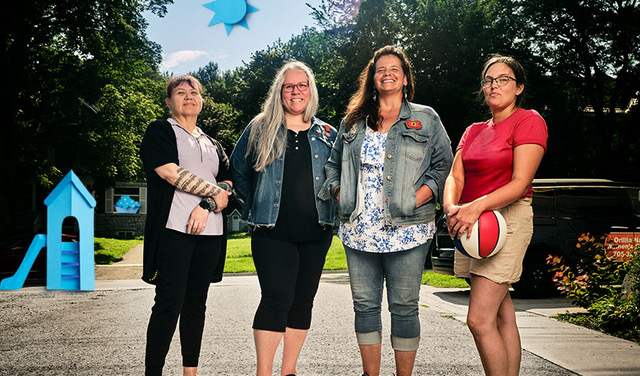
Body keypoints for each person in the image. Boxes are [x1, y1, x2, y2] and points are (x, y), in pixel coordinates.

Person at [322, 46, 453, 376]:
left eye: (394, 68)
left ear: (405, 77)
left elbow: (444, 166)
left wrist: (420, 196)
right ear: (373, 78)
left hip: (408, 228)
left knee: (404, 307)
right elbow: (332, 165)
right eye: (381, 69)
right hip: (359, 230)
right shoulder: (353, 122)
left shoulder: (426, 118)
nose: (387, 73)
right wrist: (340, 193)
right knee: (365, 306)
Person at [230, 61, 337, 376]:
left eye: (302, 85)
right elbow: (239, 171)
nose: (296, 91)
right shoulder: (260, 127)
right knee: (277, 297)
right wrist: (253, 208)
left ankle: (288, 371)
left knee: (303, 301)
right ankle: (264, 372)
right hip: (272, 231)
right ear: (279, 92)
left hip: (317, 231)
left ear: (310, 90)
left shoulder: (328, 133)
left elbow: (339, 176)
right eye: (289, 86)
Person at [443, 54, 548, 376]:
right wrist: (451, 209)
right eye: (488, 80)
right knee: (502, 315)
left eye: (503, 79)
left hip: (507, 220)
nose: (493, 85)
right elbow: (455, 176)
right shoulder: (472, 130)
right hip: (474, 226)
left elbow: (520, 183)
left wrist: (474, 207)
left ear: (519, 88)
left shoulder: (529, 121)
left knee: (478, 319)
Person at [140, 74, 233, 376]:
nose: (189, 96)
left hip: (211, 235)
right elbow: (169, 172)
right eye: (180, 92)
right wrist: (215, 192)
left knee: (196, 304)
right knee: (169, 303)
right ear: (169, 102)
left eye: (194, 92)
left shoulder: (213, 143)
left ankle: (190, 372)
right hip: (174, 232)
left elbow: (230, 183)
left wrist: (209, 203)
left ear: (202, 101)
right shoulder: (161, 131)